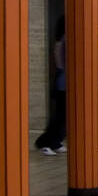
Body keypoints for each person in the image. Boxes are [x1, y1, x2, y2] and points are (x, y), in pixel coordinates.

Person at [36, 16, 67, 155]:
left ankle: (56, 141)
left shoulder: (61, 40)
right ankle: (46, 142)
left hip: (64, 81)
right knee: (60, 115)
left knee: (63, 115)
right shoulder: (64, 40)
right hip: (63, 82)